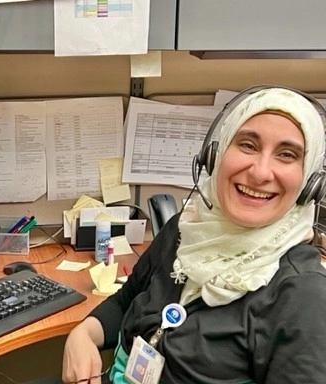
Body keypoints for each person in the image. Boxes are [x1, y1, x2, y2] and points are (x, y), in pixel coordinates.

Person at [62, 87, 326, 384]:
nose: (261, 172)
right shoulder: (185, 229)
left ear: (309, 183)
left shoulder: (302, 294)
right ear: (215, 155)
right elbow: (127, 299)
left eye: (287, 155)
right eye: (248, 145)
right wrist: (83, 334)